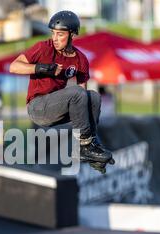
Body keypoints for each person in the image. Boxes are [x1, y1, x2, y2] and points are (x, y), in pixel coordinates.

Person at [9, 10, 114, 173]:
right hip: (37, 107)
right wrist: (39, 68)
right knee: (76, 94)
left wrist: (96, 149)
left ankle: (90, 149)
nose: (55, 39)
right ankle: (85, 146)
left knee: (93, 97)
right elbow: (14, 66)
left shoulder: (80, 59)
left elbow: (84, 98)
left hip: (56, 109)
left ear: (72, 35)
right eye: (53, 33)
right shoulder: (44, 48)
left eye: (60, 34)